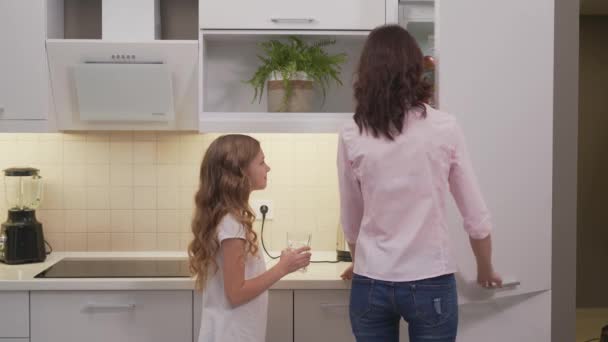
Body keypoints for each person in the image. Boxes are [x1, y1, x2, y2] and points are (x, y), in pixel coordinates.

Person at [337, 25, 502, 342]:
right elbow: (476, 215)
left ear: (366, 73)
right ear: (415, 70)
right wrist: (485, 267)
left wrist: (361, 263)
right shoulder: (444, 127)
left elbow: (351, 216)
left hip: (371, 281)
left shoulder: (351, 132)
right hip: (430, 280)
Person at [188, 134, 311, 342]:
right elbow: (236, 292)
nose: (268, 168)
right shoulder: (231, 223)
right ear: (241, 172)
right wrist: (283, 267)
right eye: (261, 162)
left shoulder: (227, 217)